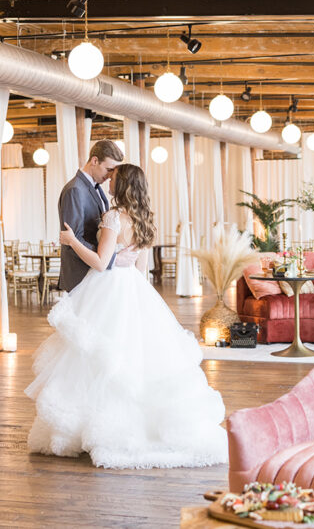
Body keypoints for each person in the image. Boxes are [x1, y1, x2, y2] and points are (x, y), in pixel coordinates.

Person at [26, 163, 228, 469]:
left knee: (99, 357)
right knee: (135, 355)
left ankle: (97, 427)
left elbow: (99, 261)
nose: (108, 181)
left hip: (108, 289)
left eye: (114, 179)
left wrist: (72, 242)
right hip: (135, 290)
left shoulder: (113, 217)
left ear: (122, 187)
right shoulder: (144, 219)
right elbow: (140, 269)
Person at [57, 139, 124, 293]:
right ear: (95, 160)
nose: (110, 176)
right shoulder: (75, 190)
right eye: (108, 169)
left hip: (94, 274)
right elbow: (74, 239)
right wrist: (109, 258)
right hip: (80, 275)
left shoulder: (96, 189)